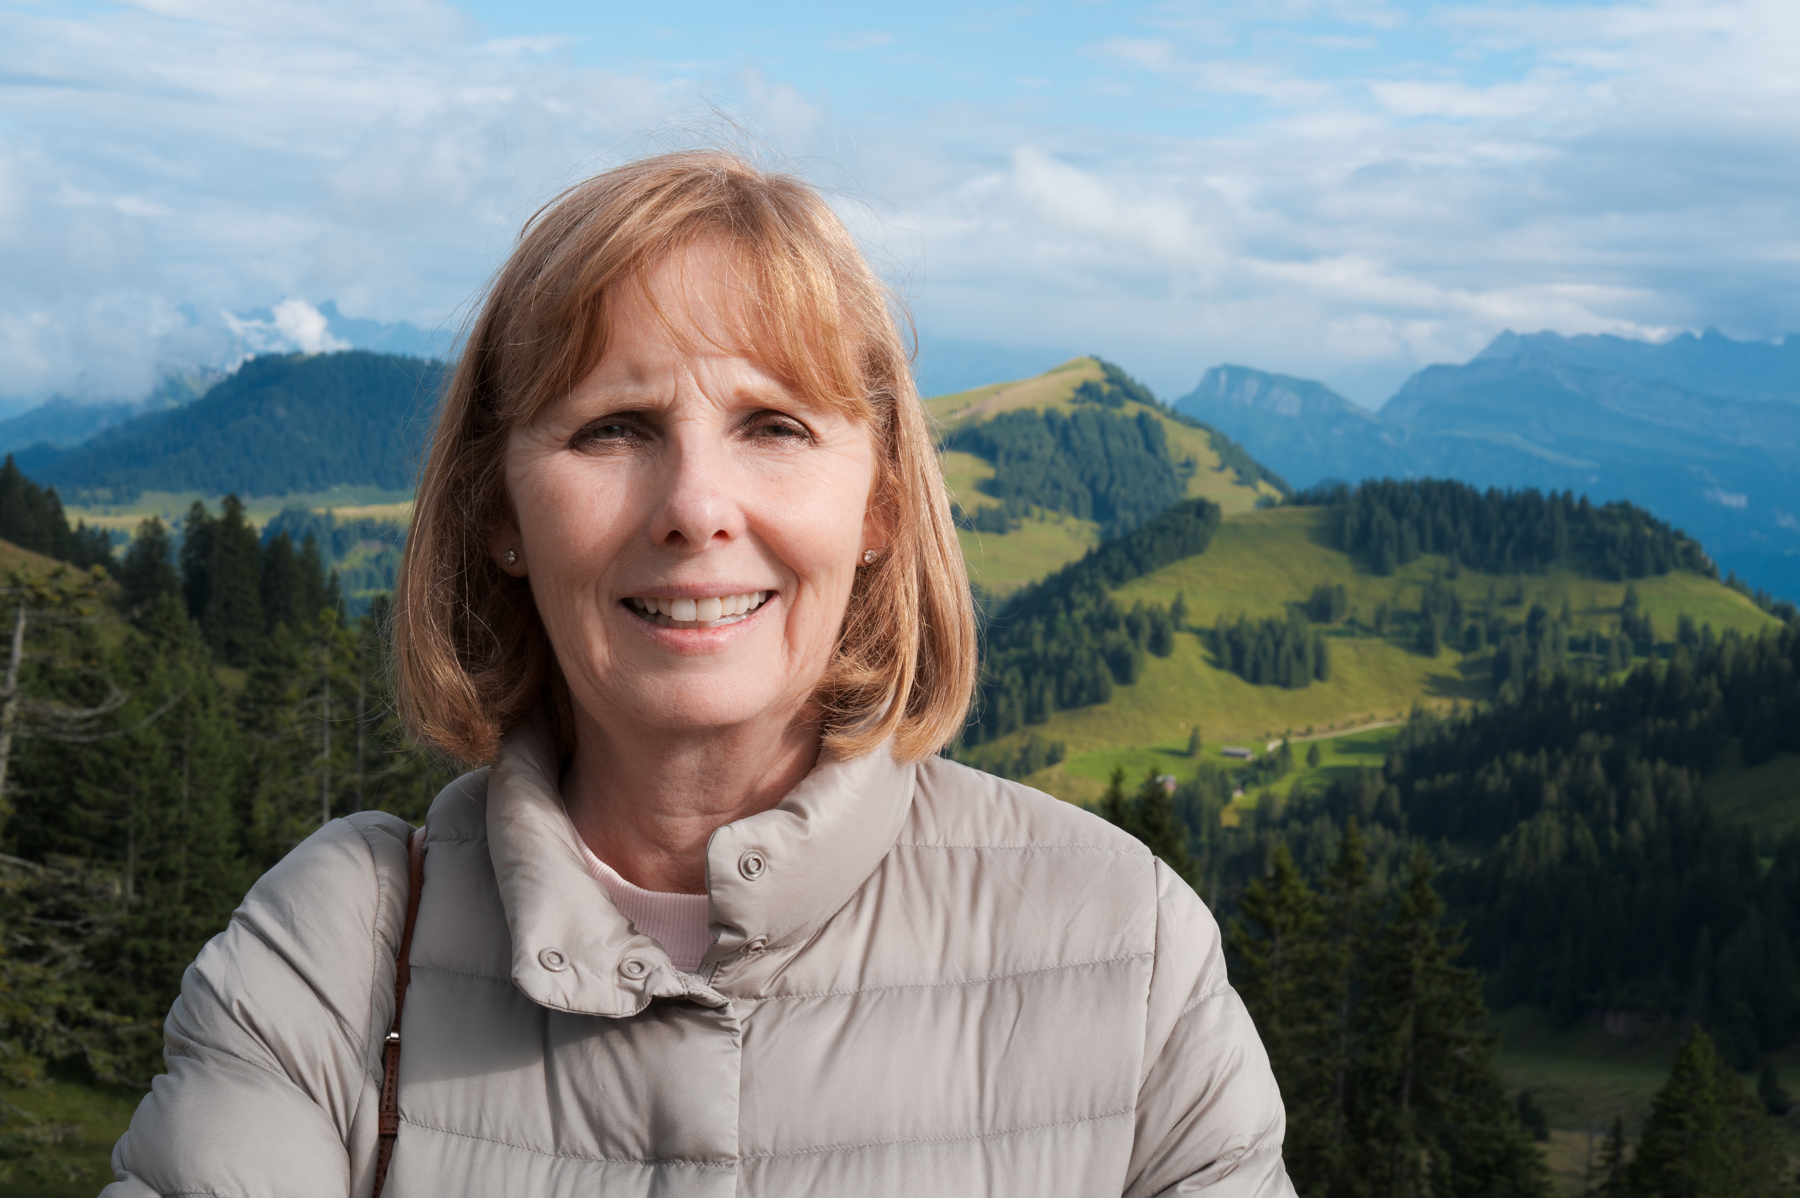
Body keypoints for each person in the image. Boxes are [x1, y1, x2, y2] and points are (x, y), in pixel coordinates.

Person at [104, 151, 1293, 1197]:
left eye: (775, 426)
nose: (694, 509)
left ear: (878, 502)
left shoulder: (1128, 949)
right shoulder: (333, 952)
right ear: (498, 513)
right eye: (612, 427)